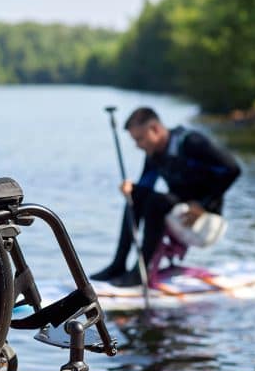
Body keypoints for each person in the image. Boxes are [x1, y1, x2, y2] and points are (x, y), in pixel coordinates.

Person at [91, 107, 241, 286]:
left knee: (156, 201)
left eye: (139, 139)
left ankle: (141, 272)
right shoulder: (154, 154)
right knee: (136, 194)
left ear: (154, 129)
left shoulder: (191, 142)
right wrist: (129, 190)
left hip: (206, 221)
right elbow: (144, 188)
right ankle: (119, 264)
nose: (138, 146)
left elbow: (232, 169)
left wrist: (203, 204)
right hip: (181, 211)